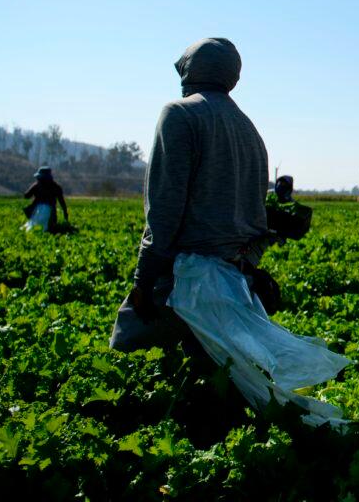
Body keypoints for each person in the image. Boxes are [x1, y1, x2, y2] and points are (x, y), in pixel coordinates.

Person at [110, 37, 269, 350]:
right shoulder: (249, 130)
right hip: (234, 280)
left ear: (190, 71)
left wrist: (143, 281)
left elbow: (165, 209)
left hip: (183, 278)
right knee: (212, 375)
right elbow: (258, 219)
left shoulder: (180, 115)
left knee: (129, 353)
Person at [22, 166, 68, 232]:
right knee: (48, 227)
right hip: (51, 213)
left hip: (37, 212)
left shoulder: (37, 186)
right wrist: (65, 213)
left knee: (34, 227)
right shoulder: (56, 187)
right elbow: (62, 202)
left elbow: (26, 195)